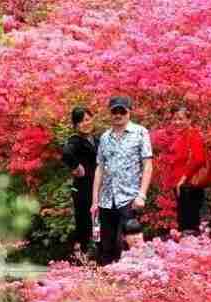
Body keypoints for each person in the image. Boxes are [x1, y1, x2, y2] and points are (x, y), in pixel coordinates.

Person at [91, 96, 153, 265]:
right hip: (106, 199)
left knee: (130, 244)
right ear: (110, 113)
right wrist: (94, 200)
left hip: (129, 198)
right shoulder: (104, 137)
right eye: (114, 111)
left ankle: (135, 281)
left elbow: (147, 165)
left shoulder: (140, 132)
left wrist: (142, 195)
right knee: (105, 245)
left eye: (122, 111)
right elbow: (100, 168)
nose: (118, 115)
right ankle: (105, 285)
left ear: (129, 111)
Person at [62, 107, 99, 255]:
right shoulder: (75, 141)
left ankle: (97, 253)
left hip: (97, 187)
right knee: (84, 221)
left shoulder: (96, 140)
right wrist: (77, 167)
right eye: (81, 121)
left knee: (97, 220)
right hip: (83, 189)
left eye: (88, 119)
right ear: (76, 125)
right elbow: (66, 154)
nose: (85, 123)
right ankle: (84, 254)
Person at [167, 105, 206, 234]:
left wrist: (182, 179)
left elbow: (199, 159)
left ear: (189, 120)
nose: (177, 122)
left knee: (189, 227)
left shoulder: (193, 134)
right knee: (183, 224)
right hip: (182, 186)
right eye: (174, 119)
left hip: (189, 186)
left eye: (181, 119)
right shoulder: (181, 135)